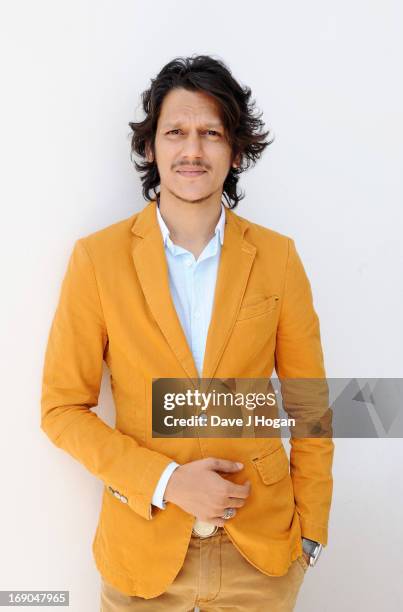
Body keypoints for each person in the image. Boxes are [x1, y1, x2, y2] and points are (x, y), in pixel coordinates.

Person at [40, 54, 334, 611]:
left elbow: (309, 404)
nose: (192, 150)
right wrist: (166, 480)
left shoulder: (278, 258)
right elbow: (62, 409)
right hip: (142, 554)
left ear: (236, 149)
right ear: (151, 147)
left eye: (211, 133)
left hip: (263, 556)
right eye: (175, 132)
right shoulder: (97, 260)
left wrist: (312, 530)